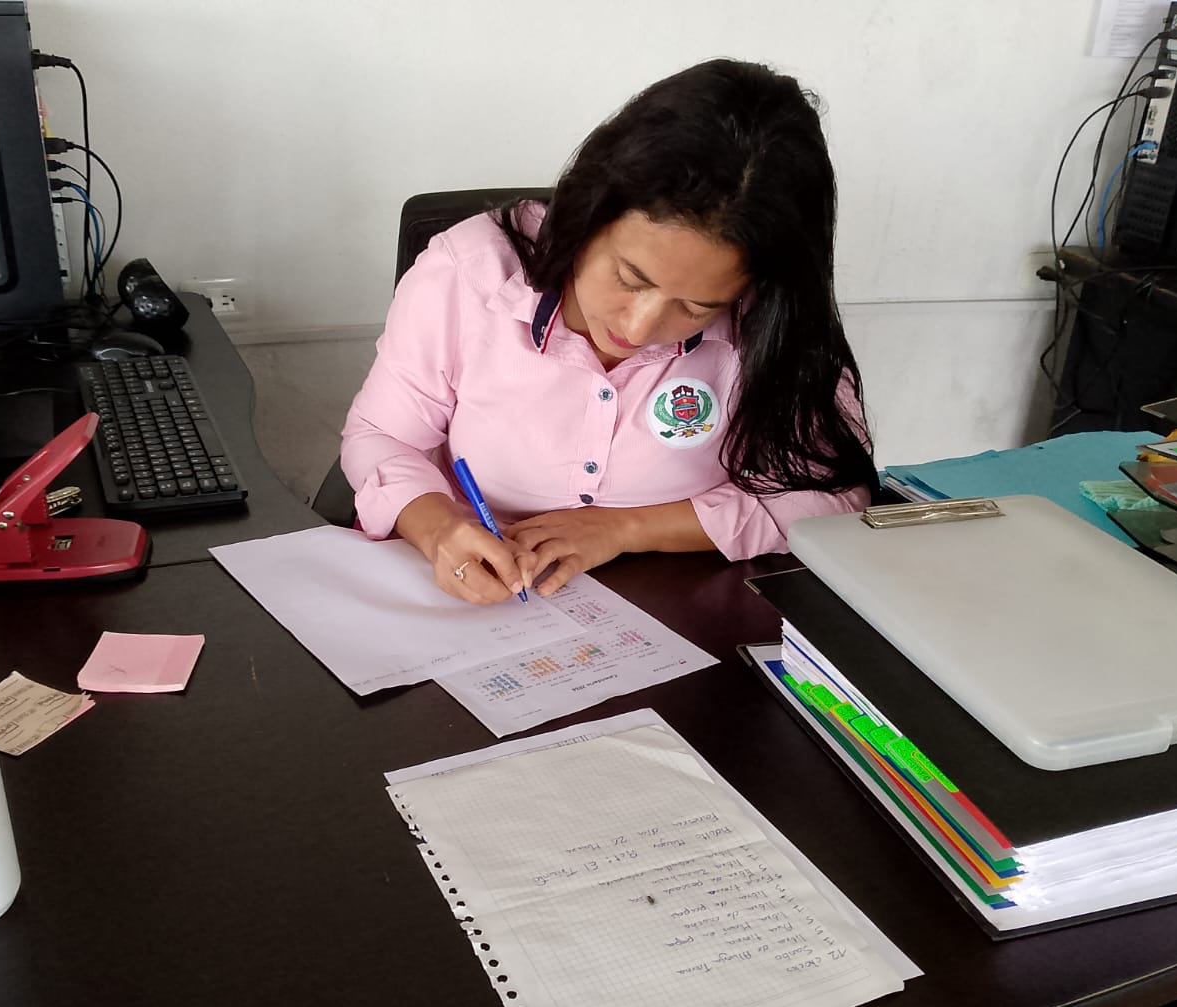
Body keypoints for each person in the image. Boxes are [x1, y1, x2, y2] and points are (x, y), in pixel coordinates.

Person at [340, 58, 876, 604]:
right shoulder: (469, 273)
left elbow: (829, 496)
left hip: (678, 607)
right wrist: (438, 528)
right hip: (471, 596)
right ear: (587, 214)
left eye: (696, 307)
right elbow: (382, 437)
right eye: (629, 278)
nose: (638, 327)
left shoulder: (770, 319)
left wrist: (626, 528)